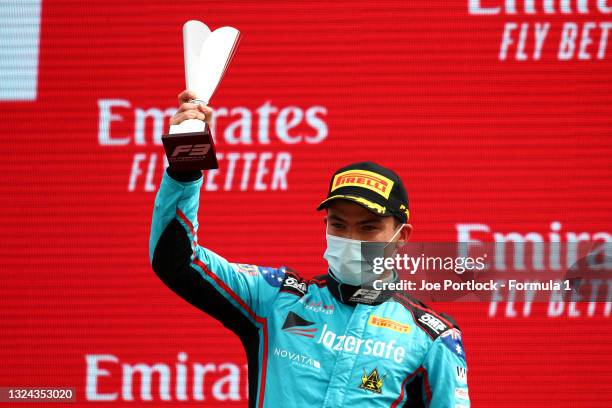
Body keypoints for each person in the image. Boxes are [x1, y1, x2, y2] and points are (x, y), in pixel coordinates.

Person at [149, 90, 470, 407]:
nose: (351, 237)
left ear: (402, 236)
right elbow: (176, 261)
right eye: (339, 225)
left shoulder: (432, 337)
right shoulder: (277, 298)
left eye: (368, 227)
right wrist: (185, 165)